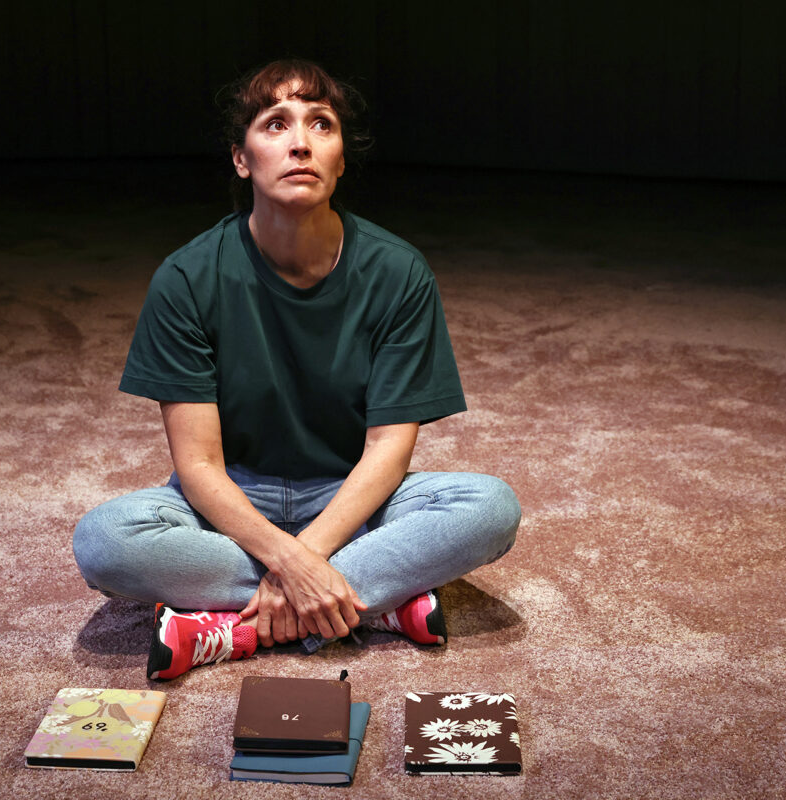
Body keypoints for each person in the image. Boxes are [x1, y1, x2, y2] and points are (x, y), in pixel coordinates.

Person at [73, 58, 520, 680]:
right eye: (276, 124)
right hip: (234, 498)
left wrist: (304, 560)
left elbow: (390, 449)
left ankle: (236, 623)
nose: (301, 142)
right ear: (242, 157)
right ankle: (372, 606)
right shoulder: (187, 277)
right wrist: (293, 562)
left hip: (354, 493)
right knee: (104, 540)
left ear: (340, 158)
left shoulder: (398, 272)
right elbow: (198, 467)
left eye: (321, 125)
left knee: (489, 507)